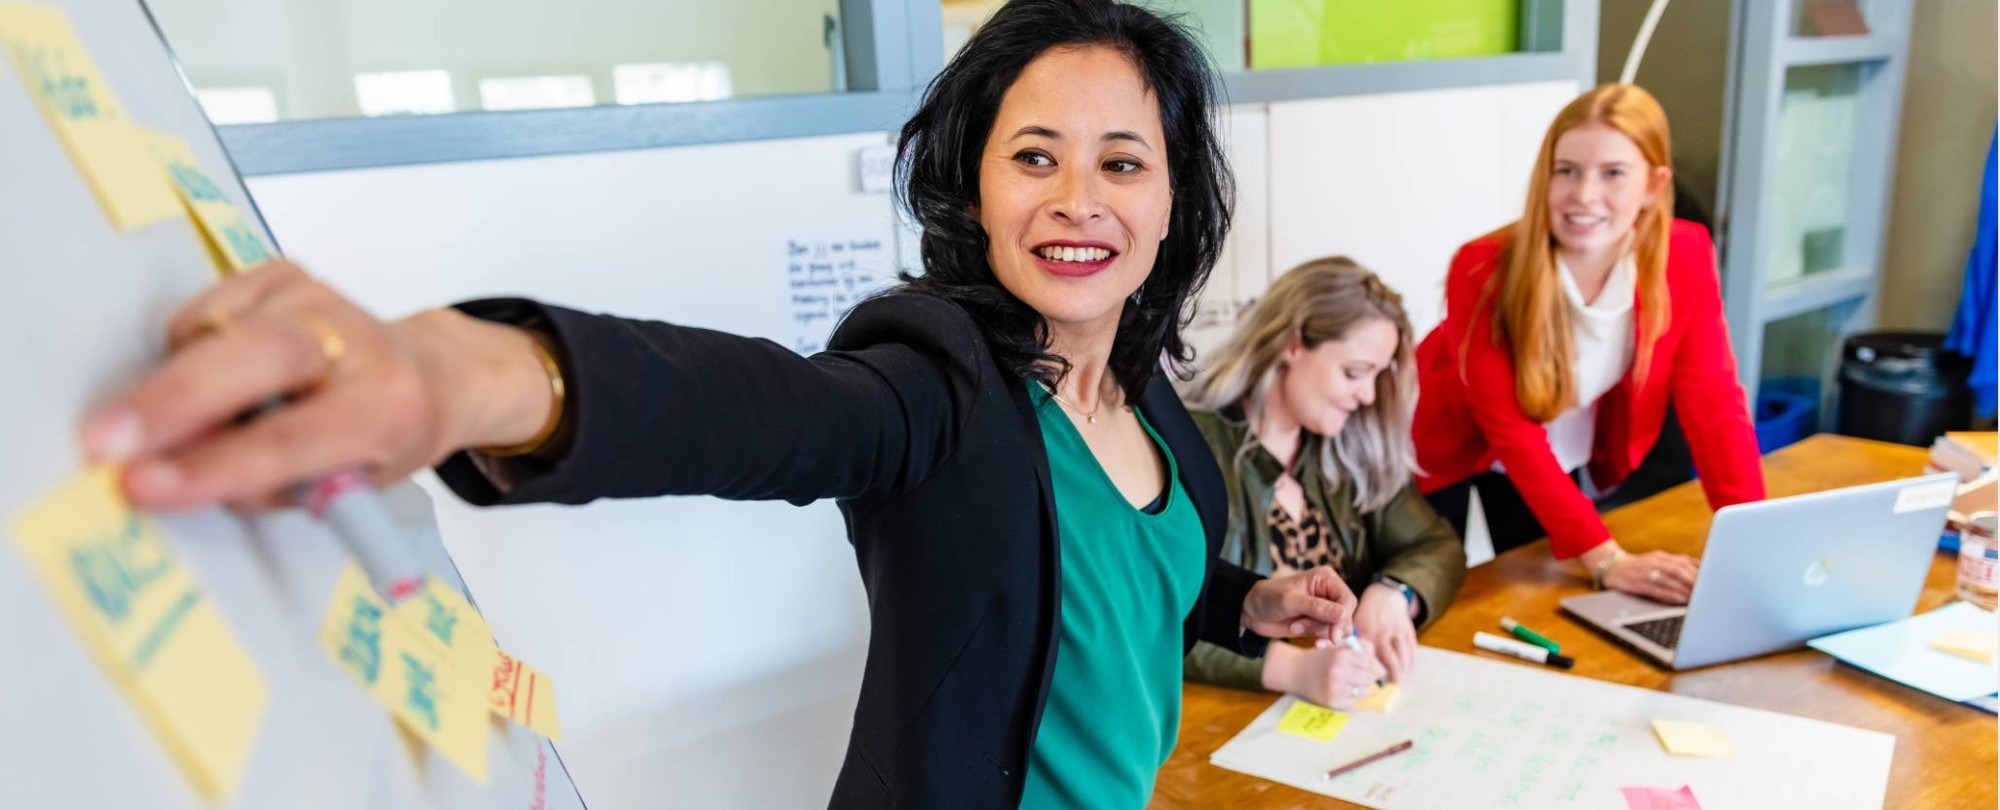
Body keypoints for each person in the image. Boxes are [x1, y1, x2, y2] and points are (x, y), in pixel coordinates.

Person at [80, 2, 1357, 807]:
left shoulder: (1148, 401)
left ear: (1171, 203)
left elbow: (1129, 571)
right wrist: (459, 373)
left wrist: (1245, 596)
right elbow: (759, 410)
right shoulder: (936, 393)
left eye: (1119, 162)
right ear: (974, 190)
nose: (1076, 196)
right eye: (1033, 156)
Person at [1413, 83, 1766, 605]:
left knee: (1538, 596)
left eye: (1613, 173)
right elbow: (1509, 428)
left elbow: (1714, 404)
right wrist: (1608, 559)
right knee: (1438, 598)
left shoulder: (1684, 253)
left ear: (1654, 184)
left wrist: (1752, 539)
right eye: (1567, 170)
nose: (1584, 194)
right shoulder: (1483, 267)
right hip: (1439, 442)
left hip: (1549, 451)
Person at [1180, 257, 1465, 709]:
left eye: (1376, 375)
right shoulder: (1189, 443)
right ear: (1293, 345)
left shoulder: (1350, 446)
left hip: (1337, 702)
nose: (1368, 396)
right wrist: (1293, 670)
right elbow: (1159, 607)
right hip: (1219, 714)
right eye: (1355, 373)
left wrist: (1395, 591)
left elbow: (1435, 544)